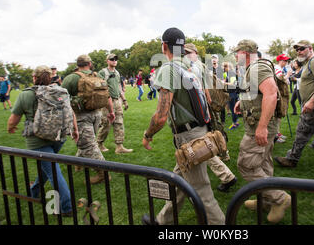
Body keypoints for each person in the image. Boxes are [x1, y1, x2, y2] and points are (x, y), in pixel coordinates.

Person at [141, 28, 226, 225]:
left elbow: (161, 116)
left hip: (189, 136)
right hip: (200, 131)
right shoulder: (191, 67)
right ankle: (163, 221)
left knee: (201, 190)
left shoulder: (169, 69)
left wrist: (148, 134)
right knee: (179, 182)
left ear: (164, 46)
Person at [7, 66, 79, 216]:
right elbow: (70, 111)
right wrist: (75, 129)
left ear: (34, 77)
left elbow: (14, 118)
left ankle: (67, 208)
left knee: (52, 171)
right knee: (47, 167)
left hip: (37, 140)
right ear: (50, 78)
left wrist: (10, 127)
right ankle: (34, 191)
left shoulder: (26, 94)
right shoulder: (59, 91)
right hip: (58, 137)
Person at [234, 39, 292, 224]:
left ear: (245, 53)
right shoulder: (254, 68)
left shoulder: (257, 68)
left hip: (259, 126)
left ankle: (280, 198)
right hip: (262, 124)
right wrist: (241, 103)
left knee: (247, 165)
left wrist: (262, 127)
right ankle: (267, 201)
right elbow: (257, 93)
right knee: (264, 164)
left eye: (237, 53)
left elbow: (271, 93)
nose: (236, 57)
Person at [184, 43, 237, 192]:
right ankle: (225, 169)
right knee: (204, 138)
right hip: (202, 106)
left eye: (189, 52)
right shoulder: (196, 65)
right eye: (184, 52)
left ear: (195, 52)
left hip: (199, 109)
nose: (186, 54)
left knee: (202, 140)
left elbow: (205, 86)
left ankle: (226, 170)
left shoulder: (197, 66)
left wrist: (208, 102)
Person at [62, 55, 116, 184]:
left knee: (89, 145)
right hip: (97, 114)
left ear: (77, 64)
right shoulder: (97, 76)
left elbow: (61, 98)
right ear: (90, 64)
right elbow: (107, 95)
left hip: (80, 116)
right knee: (87, 141)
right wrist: (111, 111)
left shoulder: (71, 78)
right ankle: (79, 163)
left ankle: (103, 174)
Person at [275, 40, 314, 167]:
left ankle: (291, 159)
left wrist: (312, 101)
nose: (299, 51)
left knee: (302, 132)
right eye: (297, 49)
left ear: (310, 48)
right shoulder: (309, 62)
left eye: (302, 49)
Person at [96, 53, 133, 154]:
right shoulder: (102, 73)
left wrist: (124, 100)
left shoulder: (117, 73)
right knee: (106, 124)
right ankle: (99, 144)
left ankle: (119, 146)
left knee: (119, 123)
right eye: (112, 59)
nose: (114, 60)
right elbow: (101, 89)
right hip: (106, 102)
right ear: (107, 61)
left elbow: (119, 87)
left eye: (116, 59)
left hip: (117, 101)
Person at [273, 54, 291, 143]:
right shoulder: (277, 68)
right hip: (279, 95)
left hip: (281, 94)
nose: (286, 62)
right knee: (277, 115)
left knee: (279, 115)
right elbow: (281, 80)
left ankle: (277, 133)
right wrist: (287, 75)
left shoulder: (281, 69)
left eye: (286, 60)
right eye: (284, 60)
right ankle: (276, 135)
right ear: (280, 61)